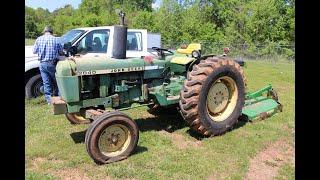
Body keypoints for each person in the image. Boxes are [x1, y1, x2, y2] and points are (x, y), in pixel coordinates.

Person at [33, 26, 63, 104]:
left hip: (42, 64)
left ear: (44, 31)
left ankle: (49, 101)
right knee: (57, 81)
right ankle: (59, 98)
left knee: (46, 82)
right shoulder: (56, 39)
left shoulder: (39, 39)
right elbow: (61, 51)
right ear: (51, 32)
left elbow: (34, 51)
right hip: (52, 64)